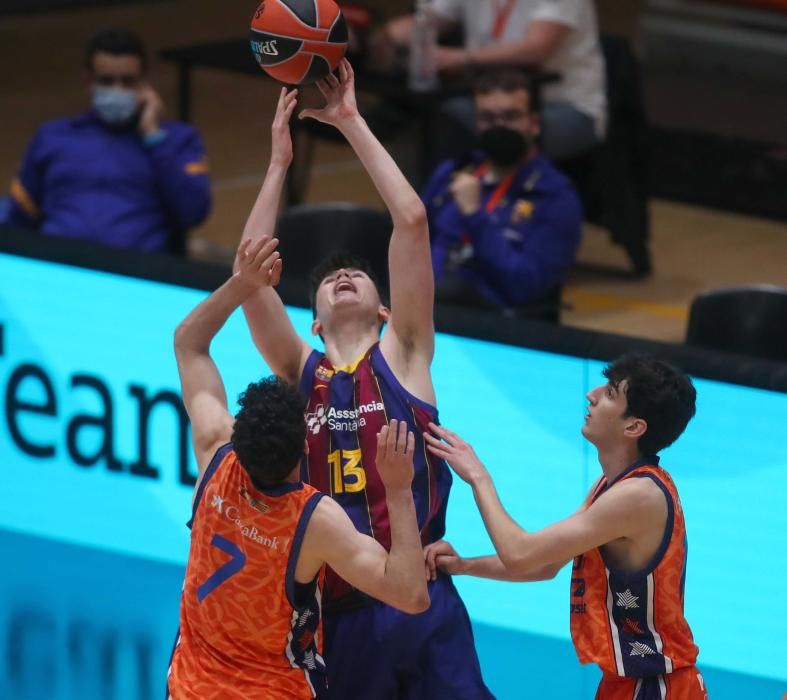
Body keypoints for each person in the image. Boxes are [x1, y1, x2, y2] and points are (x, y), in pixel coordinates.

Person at [236, 61, 493, 699]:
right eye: (327, 281)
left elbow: (410, 221)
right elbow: (248, 272)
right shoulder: (302, 369)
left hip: (425, 599)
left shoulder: (406, 352)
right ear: (315, 321)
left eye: (357, 275)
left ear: (385, 309)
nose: (342, 277)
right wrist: (276, 166)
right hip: (340, 609)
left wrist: (351, 122)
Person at [167, 236, 429, 699]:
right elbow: (410, 593)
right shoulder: (315, 521)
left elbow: (189, 345)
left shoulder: (214, 456)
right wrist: (399, 491)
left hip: (191, 688)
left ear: (240, 437)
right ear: (302, 450)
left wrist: (241, 284)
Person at [424, 354, 709, 699]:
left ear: (633, 427)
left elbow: (519, 554)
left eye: (610, 393)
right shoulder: (614, 485)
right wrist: (463, 565)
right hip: (630, 682)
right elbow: (543, 564)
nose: (592, 394)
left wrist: (478, 478)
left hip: (658, 686)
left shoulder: (638, 495)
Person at [6, 29, 211, 253]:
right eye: (107, 81)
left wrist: (154, 137)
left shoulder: (177, 141)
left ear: (144, 83)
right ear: (88, 80)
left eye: (127, 81)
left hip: (136, 274)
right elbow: (19, 215)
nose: (117, 89)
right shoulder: (52, 136)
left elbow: (193, 212)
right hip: (58, 268)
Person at [422, 68, 582, 311]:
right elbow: (415, 242)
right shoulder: (452, 174)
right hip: (429, 308)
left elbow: (525, 286)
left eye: (511, 117)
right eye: (488, 118)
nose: (500, 127)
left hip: (498, 323)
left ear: (534, 123)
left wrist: (475, 216)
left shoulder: (556, 198)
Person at [380, 0, 606, 161]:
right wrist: (381, 36)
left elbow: (536, 48)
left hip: (566, 107)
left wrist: (461, 58)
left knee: (449, 119)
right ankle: (413, 212)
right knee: (419, 112)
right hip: (490, 97)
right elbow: (424, 20)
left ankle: (445, 215)